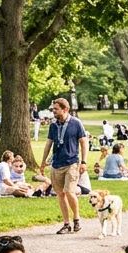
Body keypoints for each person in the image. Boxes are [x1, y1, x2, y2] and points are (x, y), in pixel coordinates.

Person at [41, 97, 87, 234]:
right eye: (53, 109)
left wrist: (84, 161)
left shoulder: (76, 123)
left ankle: (77, 220)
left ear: (65, 109)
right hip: (56, 163)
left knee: (69, 191)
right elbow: (49, 143)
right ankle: (66, 223)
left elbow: (84, 142)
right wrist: (43, 162)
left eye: (56, 109)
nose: (53, 111)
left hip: (72, 162)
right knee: (60, 194)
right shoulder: (53, 125)